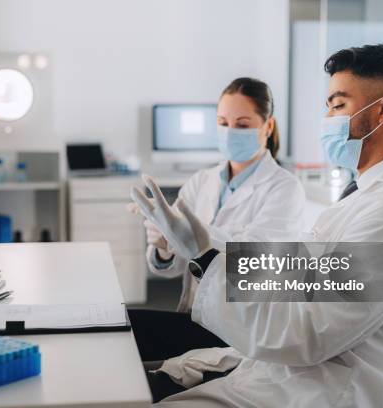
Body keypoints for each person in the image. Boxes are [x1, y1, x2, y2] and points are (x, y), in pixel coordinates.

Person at [131, 43, 383, 407]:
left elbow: (307, 334)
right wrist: (188, 250)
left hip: (315, 392)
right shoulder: (370, 196)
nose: (327, 118)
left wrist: (205, 254)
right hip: (280, 364)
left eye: (338, 105)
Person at [127, 78, 305, 401]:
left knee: (134, 353)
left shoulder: (284, 189)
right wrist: (164, 247)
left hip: (238, 329)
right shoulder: (203, 181)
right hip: (196, 315)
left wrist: (198, 239)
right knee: (121, 329)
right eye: (223, 123)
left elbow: (254, 266)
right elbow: (167, 270)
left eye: (242, 124)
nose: (230, 131)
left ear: (268, 126)